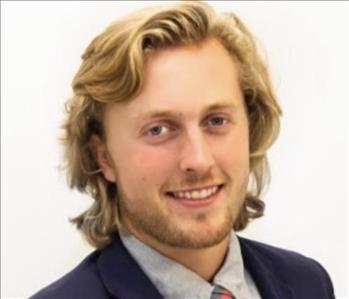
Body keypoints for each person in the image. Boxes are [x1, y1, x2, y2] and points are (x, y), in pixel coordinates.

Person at [30, 1, 335, 298]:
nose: (199, 160)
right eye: (158, 130)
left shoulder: (308, 283)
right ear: (104, 157)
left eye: (216, 120)